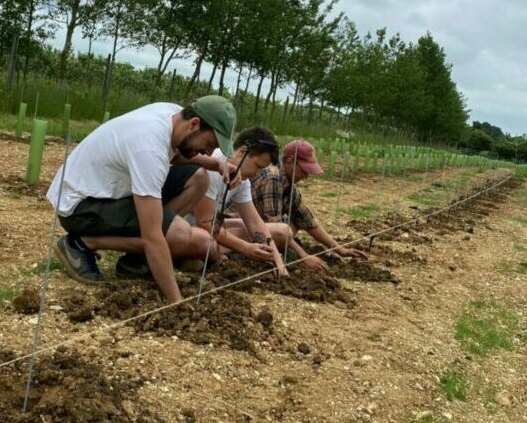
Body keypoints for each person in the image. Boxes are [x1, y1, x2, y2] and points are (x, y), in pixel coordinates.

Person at [48, 95, 237, 302]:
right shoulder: (148, 147)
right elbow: (152, 236)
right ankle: (81, 244)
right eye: (209, 143)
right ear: (194, 124)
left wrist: (215, 164)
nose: (209, 151)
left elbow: (176, 153)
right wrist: (177, 302)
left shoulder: (172, 114)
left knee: (199, 178)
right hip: (80, 206)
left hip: (105, 191)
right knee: (178, 234)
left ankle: (139, 259)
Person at [250, 140, 367, 270]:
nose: (306, 177)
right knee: (286, 237)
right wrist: (305, 256)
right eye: (304, 170)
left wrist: (341, 250)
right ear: (289, 162)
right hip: (243, 229)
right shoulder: (272, 177)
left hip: (262, 230)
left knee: (293, 223)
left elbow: (308, 221)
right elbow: (277, 230)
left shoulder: (290, 187)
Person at [191, 126, 289, 277]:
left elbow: (255, 222)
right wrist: (246, 248)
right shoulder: (213, 167)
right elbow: (206, 223)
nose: (257, 173)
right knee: (207, 244)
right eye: (257, 166)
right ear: (243, 152)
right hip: (190, 227)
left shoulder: (242, 179)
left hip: (207, 227)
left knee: (280, 231)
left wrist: (278, 261)